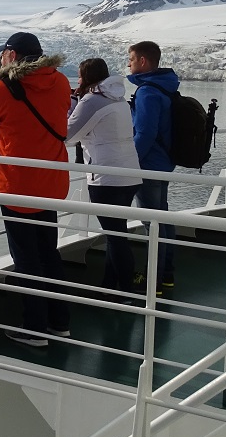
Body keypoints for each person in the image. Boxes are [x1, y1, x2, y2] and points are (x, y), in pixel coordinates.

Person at [0, 32, 71, 348]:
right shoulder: (62, 82)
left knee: (26, 257)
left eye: (3, 56)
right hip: (50, 183)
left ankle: (35, 328)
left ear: (11, 56)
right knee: (48, 254)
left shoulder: (1, 89)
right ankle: (59, 322)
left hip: (17, 185)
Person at [66, 58, 141, 298]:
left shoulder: (91, 100)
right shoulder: (117, 98)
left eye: (79, 76)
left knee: (116, 236)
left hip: (106, 176)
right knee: (116, 233)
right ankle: (109, 285)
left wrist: (70, 108)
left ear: (86, 77)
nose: (77, 81)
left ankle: (127, 292)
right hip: (128, 173)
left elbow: (69, 136)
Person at [126, 40, 178, 291]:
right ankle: (166, 274)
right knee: (162, 219)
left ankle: (153, 281)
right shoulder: (165, 87)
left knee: (152, 223)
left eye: (132, 59)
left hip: (148, 165)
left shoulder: (147, 91)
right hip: (163, 162)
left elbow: (144, 133)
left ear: (143, 61)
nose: (129, 63)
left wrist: (129, 163)